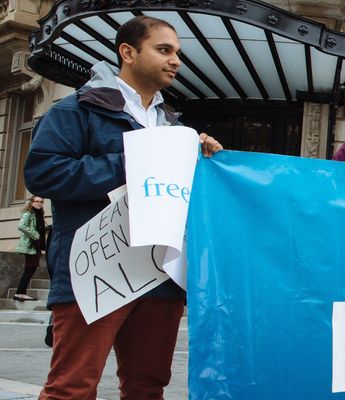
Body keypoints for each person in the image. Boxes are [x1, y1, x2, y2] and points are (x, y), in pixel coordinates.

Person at [22, 16, 223, 399]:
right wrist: (134, 161)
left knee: (147, 388)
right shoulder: (75, 110)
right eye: (163, 50)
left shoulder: (172, 126)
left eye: (177, 52)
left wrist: (202, 159)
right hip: (97, 272)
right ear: (128, 52)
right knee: (71, 388)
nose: (175, 60)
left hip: (160, 275)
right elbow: (43, 174)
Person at [13, 196, 46, 301]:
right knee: (29, 269)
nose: (39, 203)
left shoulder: (39, 214)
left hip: (36, 245)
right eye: (37, 201)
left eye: (41, 202)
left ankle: (21, 292)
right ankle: (20, 293)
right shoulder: (28, 213)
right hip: (30, 245)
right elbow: (21, 226)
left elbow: (38, 228)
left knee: (31, 269)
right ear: (32, 202)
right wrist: (36, 235)